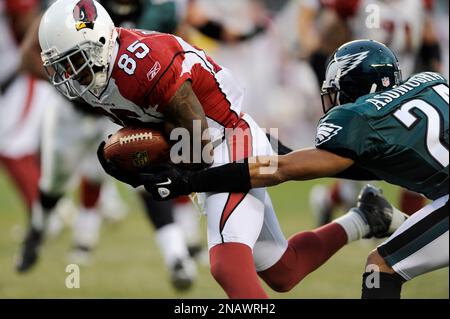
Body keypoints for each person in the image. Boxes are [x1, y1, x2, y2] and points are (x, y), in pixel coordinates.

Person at [38, 0, 404, 298]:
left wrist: (178, 174)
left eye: (76, 62)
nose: (72, 75)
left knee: (227, 264)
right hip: (212, 139)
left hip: (227, 138)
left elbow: (197, 134)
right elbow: (159, 126)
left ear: (101, 42)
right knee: (282, 270)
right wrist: (128, 155)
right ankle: (366, 217)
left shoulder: (139, 64)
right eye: (62, 67)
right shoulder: (100, 77)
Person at [142, 39, 448, 299]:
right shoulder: (430, 82)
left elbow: (280, 169)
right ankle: (368, 217)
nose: (332, 99)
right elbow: (359, 164)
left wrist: (190, 181)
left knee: (380, 267)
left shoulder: (360, 119)